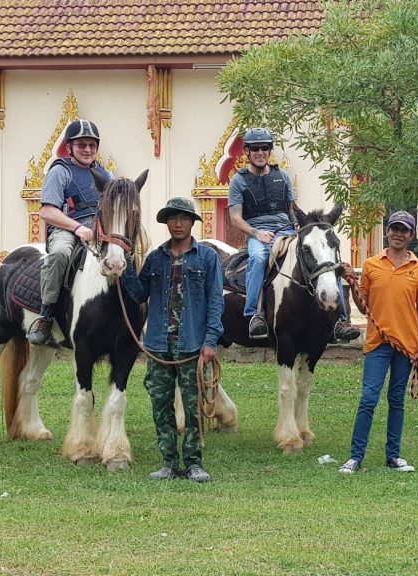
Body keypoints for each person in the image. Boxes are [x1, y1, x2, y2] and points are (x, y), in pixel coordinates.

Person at [121, 197, 224, 483]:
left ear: (192, 223)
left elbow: (216, 302)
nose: (177, 224)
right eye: (172, 219)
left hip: (192, 345)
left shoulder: (207, 258)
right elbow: (140, 294)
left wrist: (211, 341)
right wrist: (126, 265)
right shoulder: (155, 258)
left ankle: (193, 463)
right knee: (161, 405)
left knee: (192, 408)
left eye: (183, 218)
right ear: (167, 223)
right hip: (158, 345)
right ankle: (168, 461)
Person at [227, 127, 360, 342]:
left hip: (287, 230)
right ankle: (254, 315)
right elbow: (235, 218)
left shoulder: (283, 177)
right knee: (259, 258)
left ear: (270, 151)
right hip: (258, 232)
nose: (261, 152)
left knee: (324, 260)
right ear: (247, 151)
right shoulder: (239, 181)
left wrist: (300, 226)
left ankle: (340, 321)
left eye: (265, 148)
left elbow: (291, 209)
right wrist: (256, 233)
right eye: (255, 148)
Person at [338, 210, 418, 474]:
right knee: (368, 399)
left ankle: (393, 455)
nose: (398, 234)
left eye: (404, 230)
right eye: (394, 229)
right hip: (378, 342)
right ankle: (356, 457)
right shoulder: (371, 265)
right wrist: (353, 284)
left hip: (407, 345)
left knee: (397, 400)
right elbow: (363, 305)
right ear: (387, 231)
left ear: (411, 235)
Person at [28, 119, 112, 346]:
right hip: (67, 229)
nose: (87, 150)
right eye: (81, 145)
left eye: (92, 145)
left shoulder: (107, 176)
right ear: (70, 147)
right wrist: (77, 227)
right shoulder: (60, 171)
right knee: (60, 255)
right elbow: (47, 211)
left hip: (100, 231)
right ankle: (45, 316)